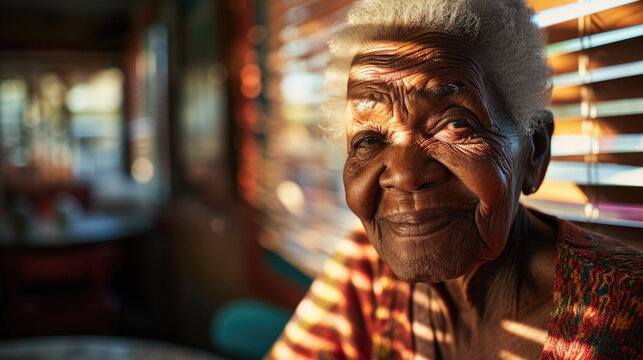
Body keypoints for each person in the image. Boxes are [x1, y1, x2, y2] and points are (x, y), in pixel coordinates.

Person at [265, 0, 642, 359]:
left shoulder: (626, 312)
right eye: (369, 139)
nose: (405, 175)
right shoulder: (362, 272)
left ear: (535, 152)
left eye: (455, 124)